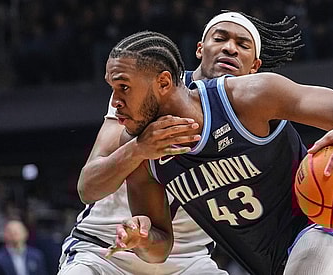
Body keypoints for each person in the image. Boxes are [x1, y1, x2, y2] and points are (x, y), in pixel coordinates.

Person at [105, 29, 333, 275]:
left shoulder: (248, 97)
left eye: (123, 88)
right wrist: (141, 239)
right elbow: (160, 246)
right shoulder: (139, 150)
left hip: (326, 227)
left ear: (164, 83)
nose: (115, 102)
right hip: (268, 264)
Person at [58, 11, 303, 275]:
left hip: (188, 260)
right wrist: (139, 149)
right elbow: (89, 185)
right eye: (220, 38)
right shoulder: (149, 92)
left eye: (242, 45)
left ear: (255, 66)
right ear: (200, 48)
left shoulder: (252, 115)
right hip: (104, 250)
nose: (229, 49)